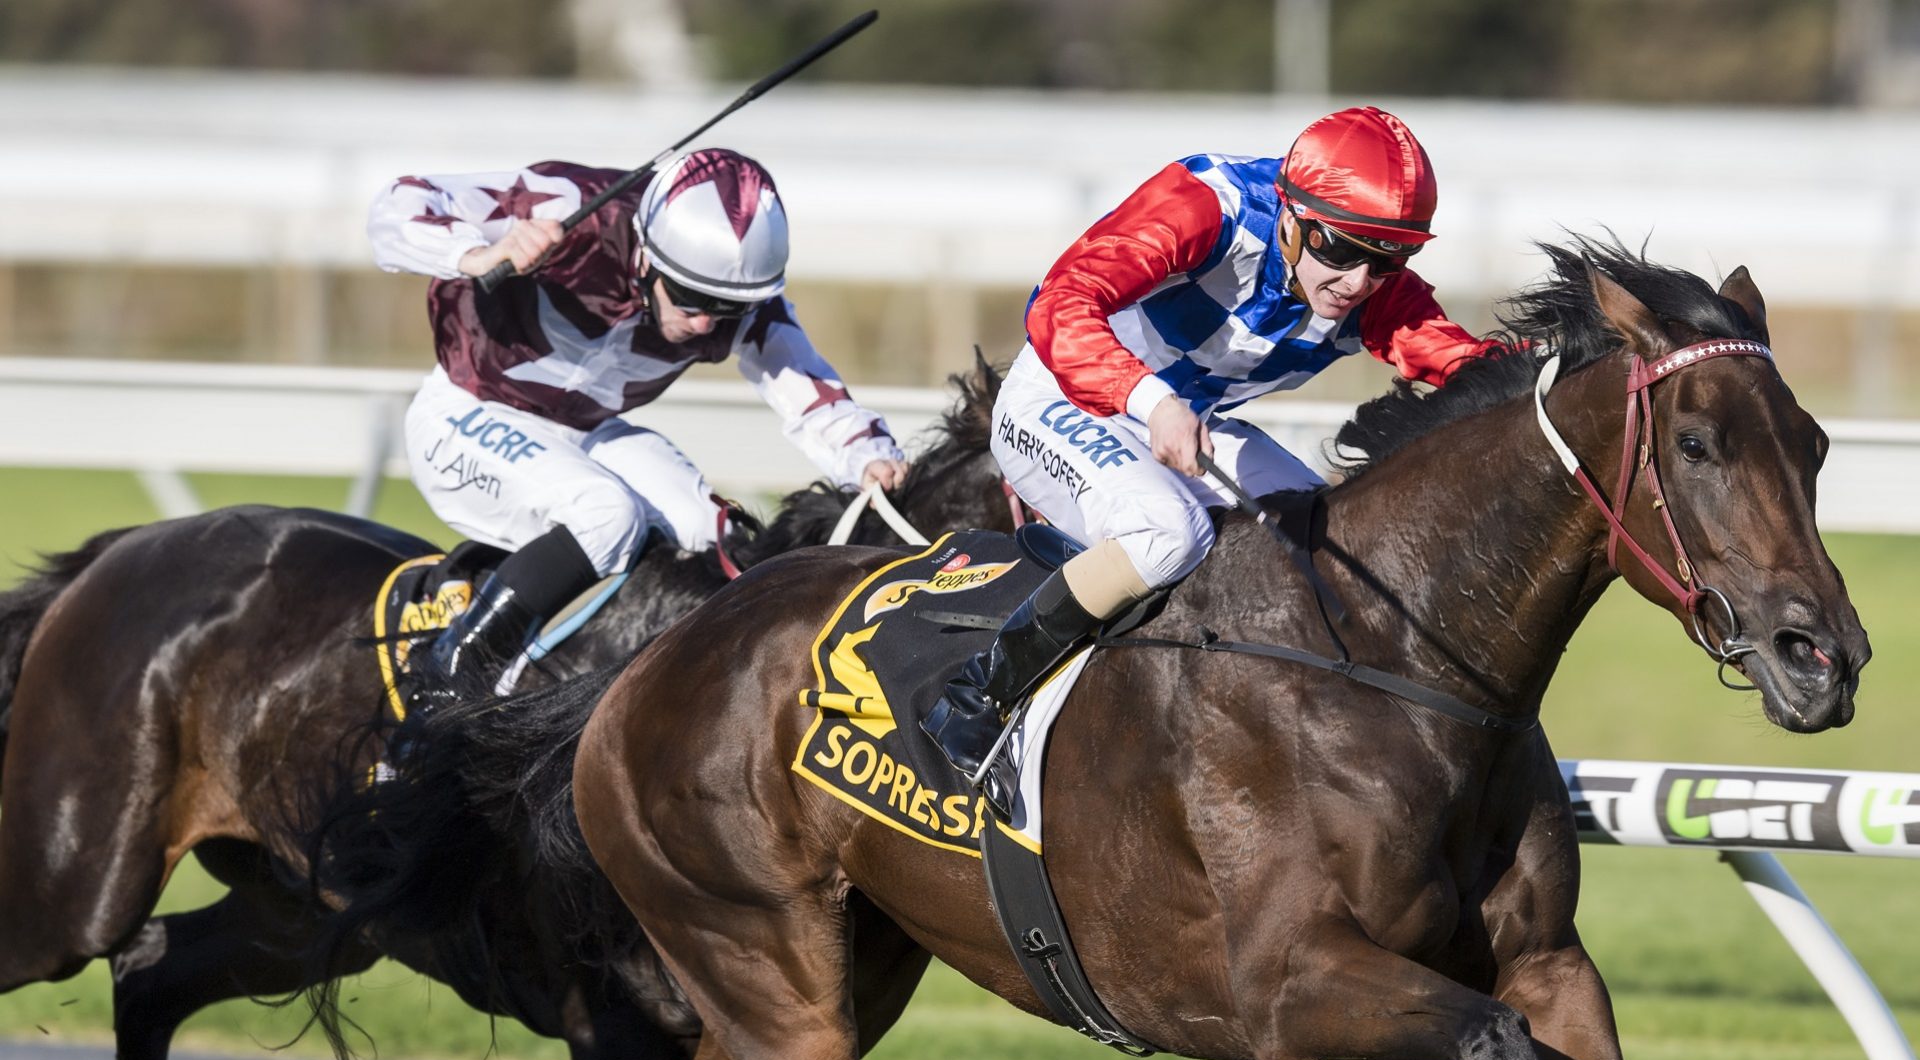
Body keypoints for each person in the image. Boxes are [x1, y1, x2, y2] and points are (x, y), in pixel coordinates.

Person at [925, 106, 1501, 777]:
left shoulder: (1373, 290)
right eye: (1341, 251)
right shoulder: (1209, 203)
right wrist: (1152, 401)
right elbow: (1061, 302)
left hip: (1186, 421)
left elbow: (1473, 367)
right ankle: (976, 696)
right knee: (1169, 532)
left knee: (1325, 538)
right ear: (1290, 212)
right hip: (1060, 396)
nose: (1359, 284)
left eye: (1388, 262)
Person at [368, 147, 908, 707]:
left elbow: (806, 385)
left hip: (584, 431)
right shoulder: (574, 206)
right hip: (466, 410)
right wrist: (476, 252)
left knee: (711, 536)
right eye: (692, 296)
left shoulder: (745, 303)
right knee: (606, 516)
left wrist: (867, 455)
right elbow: (395, 204)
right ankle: (441, 685)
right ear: (646, 257)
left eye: (725, 307)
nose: (703, 322)